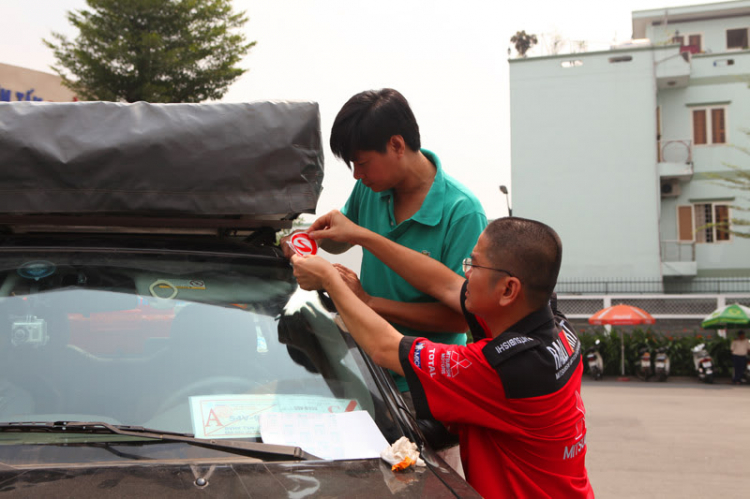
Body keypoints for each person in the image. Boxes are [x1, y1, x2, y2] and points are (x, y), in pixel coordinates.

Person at [291, 212, 593, 499]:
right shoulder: (551, 323)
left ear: (508, 290)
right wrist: (362, 236)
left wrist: (329, 280)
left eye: (474, 265)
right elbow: (445, 284)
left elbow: (385, 347)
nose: (466, 273)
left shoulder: (507, 368)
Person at [283, 88, 487, 399]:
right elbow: (344, 237)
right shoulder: (372, 189)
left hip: (427, 383)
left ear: (396, 145)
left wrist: (369, 302)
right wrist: (310, 241)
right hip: (371, 371)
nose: (356, 175)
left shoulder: (462, 212)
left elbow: (462, 315)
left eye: (362, 163)